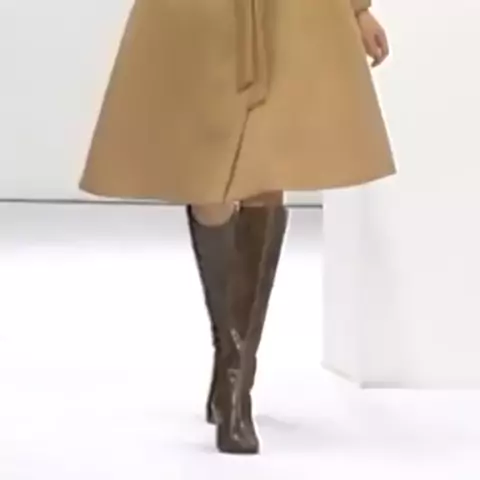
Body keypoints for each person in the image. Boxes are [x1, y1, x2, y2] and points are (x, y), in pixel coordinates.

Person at [79, 0, 395, 454]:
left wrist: (358, 10)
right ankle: (230, 355)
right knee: (206, 180)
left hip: (293, 14)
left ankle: (235, 383)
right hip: (198, 15)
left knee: (266, 171)